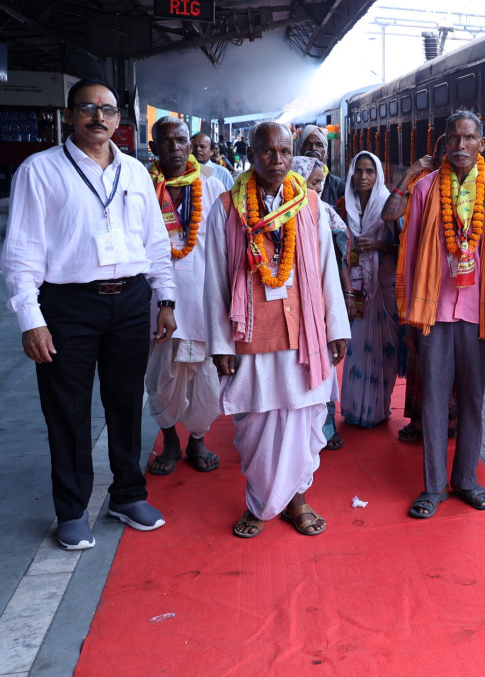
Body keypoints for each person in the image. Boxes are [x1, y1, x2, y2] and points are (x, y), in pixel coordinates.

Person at [2, 78, 175, 550]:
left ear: (120, 119)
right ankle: (72, 510)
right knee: (67, 409)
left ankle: (128, 494)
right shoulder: (40, 171)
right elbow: (21, 252)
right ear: (69, 114)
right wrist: (30, 318)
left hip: (132, 300)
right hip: (68, 306)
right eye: (88, 108)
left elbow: (156, 243)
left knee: (125, 402)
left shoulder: (137, 173)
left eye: (108, 110)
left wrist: (165, 299)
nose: (99, 117)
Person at [203, 121, 350, 538]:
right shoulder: (227, 208)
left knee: (302, 418)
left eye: (285, 152)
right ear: (250, 155)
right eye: (268, 152)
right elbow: (214, 278)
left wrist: (336, 328)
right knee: (256, 422)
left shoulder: (310, 205)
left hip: (303, 334)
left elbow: (326, 273)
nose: (278, 160)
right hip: (249, 333)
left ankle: (297, 500)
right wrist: (219, 343)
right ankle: (260, 501)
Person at [400, 109, 485, 519]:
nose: (461, 146)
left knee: (473, 401)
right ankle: (432, 487)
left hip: (477, 315)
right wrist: (409, 315)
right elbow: (410, 254)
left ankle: (466, 479)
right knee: (432, 402)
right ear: (444, 142)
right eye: (454, 138)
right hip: (434, 312)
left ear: (482, 144)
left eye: (469, 138)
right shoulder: (426, 189)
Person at [144, 118, 224, 475]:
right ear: (154, 147)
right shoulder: (143, 187)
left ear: (191, 147)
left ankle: (197, 440)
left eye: (181, 140)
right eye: (166, 141)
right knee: (160, 376)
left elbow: (225, 248)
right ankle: (170, 441)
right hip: (154, 299)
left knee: (204, 375)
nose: (174, 147)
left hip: (202, 301)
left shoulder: (213, 186)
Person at [386, 139, 448, 443]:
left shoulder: (479, 190)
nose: (452, 154)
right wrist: (410, 171)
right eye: (445, 150)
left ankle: (449, 421)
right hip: (421, 285)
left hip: (452, 289)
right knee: (420, 357)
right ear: (434, 157)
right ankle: (420, 421)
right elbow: (389, 215)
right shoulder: (421, 184)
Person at [295, 156, 353, 451]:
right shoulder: (281, 213)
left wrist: (345, 295)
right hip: (293, 306)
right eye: (313, 182)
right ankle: (301, 433)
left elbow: (338, 258)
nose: (318, 188)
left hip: (319, 302)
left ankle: (325, 428)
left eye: (320, 183)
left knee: (325, 372)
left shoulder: (322, 211)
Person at [340, 151, 399, 428]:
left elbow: (402, 246)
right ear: (351, 172)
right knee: (354, 347)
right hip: (352, 288)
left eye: (369, 171)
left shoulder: (389, 204)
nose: (363, 177)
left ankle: (378, 410)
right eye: (359, 171)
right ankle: (354, 409)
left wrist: (378, 245)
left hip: (382, 292)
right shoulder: (343, 205)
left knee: (383, 350)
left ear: (378, 175)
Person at [295, 124, 343, 206]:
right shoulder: (289, 180)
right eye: (307, 144)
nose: (313, 148)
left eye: (319, 145)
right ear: (300, 148)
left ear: (325, 151)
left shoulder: (336, 185)